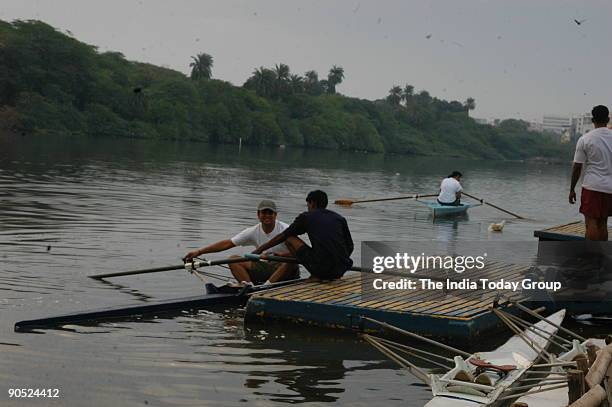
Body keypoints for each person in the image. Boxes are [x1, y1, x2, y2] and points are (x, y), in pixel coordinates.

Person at [183, 200, 299, 285]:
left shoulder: (285, 229)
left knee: (289, 261)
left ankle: (266, 287)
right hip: (267, 267)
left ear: (275, 215)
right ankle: (250, 288)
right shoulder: (253, 231)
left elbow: (299, 254)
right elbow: (227, 243)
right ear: (258, 215)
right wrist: (199, 252)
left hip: (286, 269)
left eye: (270, 213)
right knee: (233, 259)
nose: (267, 216)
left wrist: (281, 256)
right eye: (264, 213)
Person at [252, 190, 353, 281]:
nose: (308, 207)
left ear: (312, 203)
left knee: (289, 238)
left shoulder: (306, 217)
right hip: (341, 269)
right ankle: (326, 271)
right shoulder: (339, 218)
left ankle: (315, 274)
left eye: (308, 204)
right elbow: (350, 246)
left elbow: (284, 235)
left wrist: (259, 250)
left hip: (321, 269)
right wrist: (338, 261)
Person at [569, 105, 612, 241]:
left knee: (591, 223)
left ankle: (591, 257)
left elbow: (577, 167)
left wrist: (572, 189)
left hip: (592, 187)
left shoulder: (585, 139)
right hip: (610, 188)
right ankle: (601, 257)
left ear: (593, 120)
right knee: (603, 223)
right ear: (608, 119)